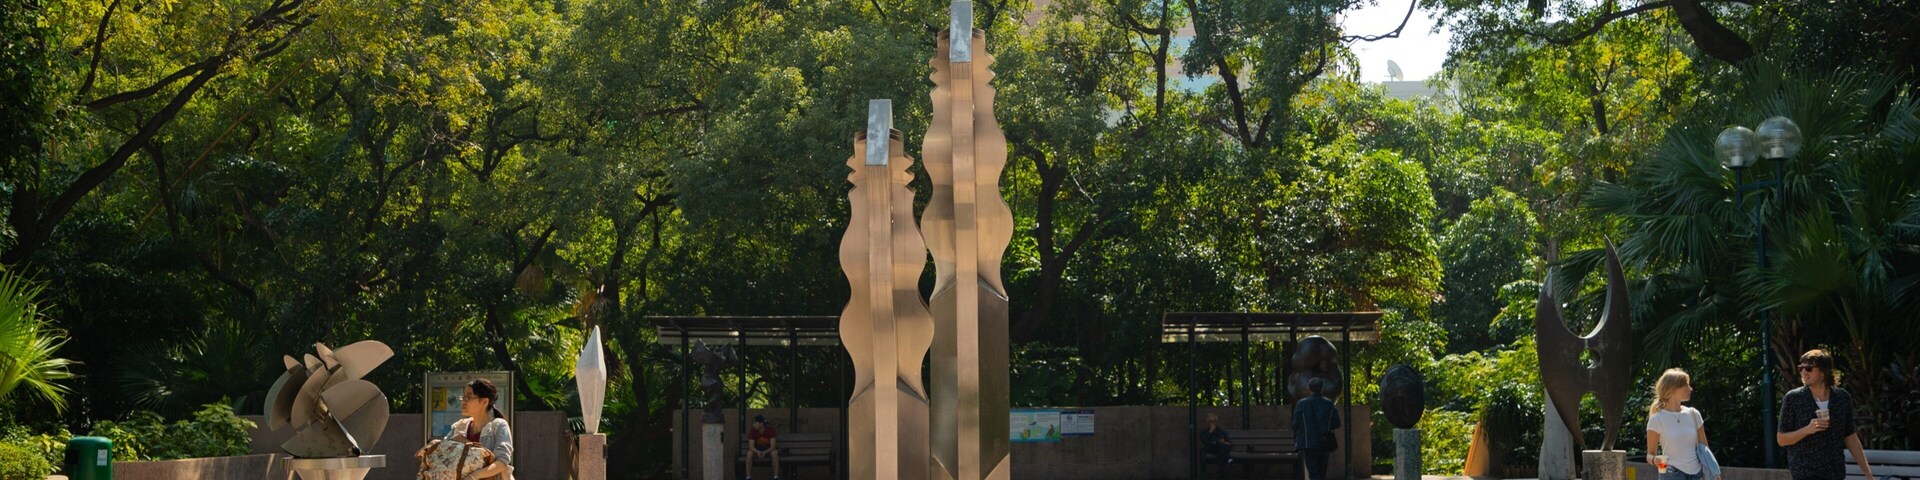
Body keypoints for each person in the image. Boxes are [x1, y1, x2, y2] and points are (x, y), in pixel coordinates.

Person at [1778, 349, 1873, 480]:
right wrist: (1807, 430)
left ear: (1823, 372)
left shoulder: (1841, 398)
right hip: (1806, 473)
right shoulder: (1793, 398)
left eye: (1809, 368)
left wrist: (1868, 474)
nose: (1804, 372)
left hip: (1835, 473)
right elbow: (1781, 439)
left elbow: (1850, 437)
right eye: (1801, 368)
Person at [418, 378, 514, 480]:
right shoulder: (460, 426)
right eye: (463, 397)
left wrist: (473, 476)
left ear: (484, 401)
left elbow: (502, 462)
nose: (463, 401)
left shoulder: (499, 426)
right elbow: (444, 454)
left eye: (468, 397)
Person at [1645, 368, 1714, 480]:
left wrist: (1713, 472)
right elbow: (1650, 454)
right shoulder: (1657, 419)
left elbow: (1705, 448)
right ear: (1673, 389)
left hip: (1696, 474)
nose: (1690, 388)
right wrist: (1654, 460)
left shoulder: (1693, 414)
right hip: (1671, 473)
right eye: (1686, 385)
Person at [1292, 377, 1341, 480]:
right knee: (1321, 472)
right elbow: (1336, 423)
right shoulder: (1329, 403)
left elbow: (1296, 423)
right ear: (1322, 389)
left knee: (1313, 472)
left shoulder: (1301, 404)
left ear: (1309, 388)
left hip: (1308, 442)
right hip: (1324, 442)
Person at [746, 415, 780, 480]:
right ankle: (748, 477)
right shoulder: (752, 431)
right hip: (756, 450)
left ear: (761, 424)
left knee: (774, 453)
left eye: (755, 423)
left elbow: (772, 446)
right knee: (749, 454)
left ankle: (776, 476)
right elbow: (751, 446)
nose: (753, 424)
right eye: (753, 423)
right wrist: (757, 451)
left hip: (768, 450)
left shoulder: (770, 430)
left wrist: (765, 452)